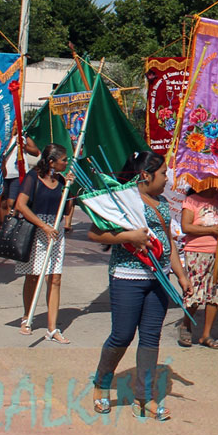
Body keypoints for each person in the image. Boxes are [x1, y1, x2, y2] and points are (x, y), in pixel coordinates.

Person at [90, 151, 192, 421]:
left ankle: (144, 398)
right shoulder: (122, 200)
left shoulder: (162, 203)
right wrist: (129, 236)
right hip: (127, 277)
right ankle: (101, 383)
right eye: (163, 174)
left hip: (159, 280)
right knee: (122, 335)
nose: (167, 179)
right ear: (146, 175)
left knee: (150, 338)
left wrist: (181, 276)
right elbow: (95, 233)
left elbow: (168, 241)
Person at [14, 143, 75, 340]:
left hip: (55, 231)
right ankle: (27, 316)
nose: (66, 163)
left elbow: (67, 209)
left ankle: (52, 328)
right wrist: (43, 226)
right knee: (33, 276)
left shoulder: (61, 180)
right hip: (36, 230)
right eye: (63, 160)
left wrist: (69, 188)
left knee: (55, 278)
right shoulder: (33, 177)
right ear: (51, 162)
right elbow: (21, 205)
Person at [178, 186, 218, 349]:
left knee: (214, 292)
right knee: (194, 291)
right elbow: (186, 227)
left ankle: (206, 335)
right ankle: (186, 324)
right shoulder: (191, 201)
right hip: (197, 252)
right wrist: (211, 230)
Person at [0, 133, 40, 225]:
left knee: (11, 202)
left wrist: (23, 146)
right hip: (2, 172)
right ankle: (2, 225)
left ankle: (10, 225)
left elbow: (36, 152)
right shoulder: (2, 131)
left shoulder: (23, 134)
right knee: (2, 202)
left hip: (17, 173)